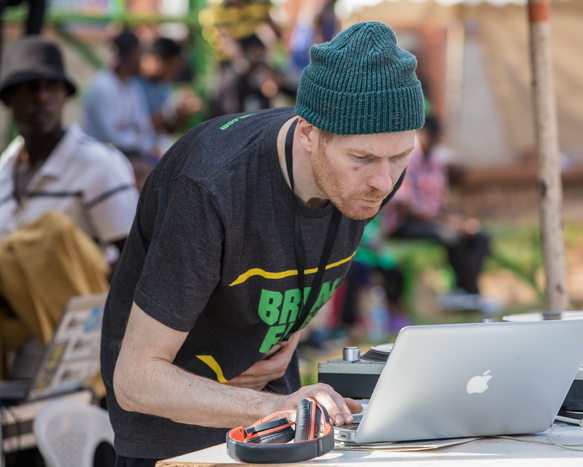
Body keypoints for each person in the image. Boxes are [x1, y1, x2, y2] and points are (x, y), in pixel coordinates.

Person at [100, 21, 424, 465]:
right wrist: (275, 407)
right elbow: (135, 380)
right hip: (174, 440)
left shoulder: (373, 168)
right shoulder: (213, 187)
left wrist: (292, 331)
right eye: (362, 159)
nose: (384, 182)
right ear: (308, 132)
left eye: (400, 156)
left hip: (274, 426)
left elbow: (299, 262)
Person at [0, 37, 138, 377]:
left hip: (83, 331)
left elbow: (133, 257)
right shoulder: (4, 171)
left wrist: (113, 340)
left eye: (51, 87)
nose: (42, 97)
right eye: (29, 88)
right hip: (20, 330)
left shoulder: (98, 164)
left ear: (64, 95)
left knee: (49, 234)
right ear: (9, 99)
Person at [382, 115, 491, 310]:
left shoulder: (435, 161)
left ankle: (464, 292)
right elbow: (408, 208)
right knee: (452, 236)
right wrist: (451, 223)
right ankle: (469, 295)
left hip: (433, 220)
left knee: (480, 236)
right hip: (402, 223)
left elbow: (440, 202)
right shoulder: (406, 160)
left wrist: (462, 220)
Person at [82, 29, 157, 162]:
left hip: (128, 156)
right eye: (138, 54)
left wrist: (134, 135)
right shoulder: (102, 87)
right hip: (100, 159)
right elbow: (111, 137)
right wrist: (136, 136)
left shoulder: (133, 86)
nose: (140, 60)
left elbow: (144, 126)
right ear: (129, 55)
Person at [133, 36, 201, 155]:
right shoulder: (132, 83)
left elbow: (168, 129)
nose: (174, 72)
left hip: (154, 148)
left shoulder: (161, 85)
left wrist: (182, 114)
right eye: (172, 66)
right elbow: (141, 127)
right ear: (155, 60)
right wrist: (172, 111)